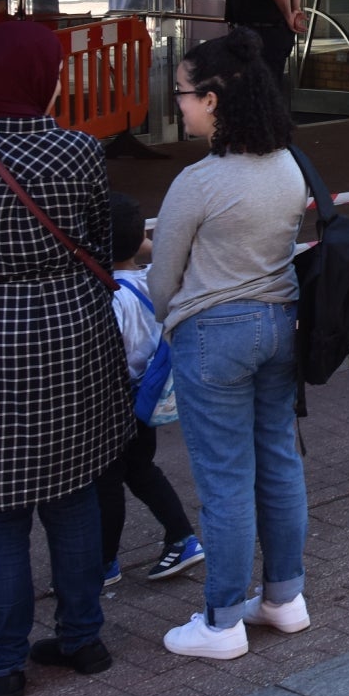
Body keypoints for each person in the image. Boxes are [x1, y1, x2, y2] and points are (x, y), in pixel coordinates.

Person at [0, 20, 134, 696]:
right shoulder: (81, 151)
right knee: (74, 495)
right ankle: (83, 639)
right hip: (73, 331)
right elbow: (102, 237)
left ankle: (3, 663)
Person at [148, 29, 315, 660]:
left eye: (186, 94)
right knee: (278, 463)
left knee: (223, 480)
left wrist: (171, 321)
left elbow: (164, 279)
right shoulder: (288, 165)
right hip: (280, 326)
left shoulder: (199, 182)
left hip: (213, 334)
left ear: (215, 101)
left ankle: (220, 623)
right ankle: (284, 599)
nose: (180, 105)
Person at [100, 191, 203, 587]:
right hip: (148, 395)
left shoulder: (110, 296)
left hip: (115, 401)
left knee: (106, 481)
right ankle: (181, 536)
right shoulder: (151, 279)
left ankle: (103, 562)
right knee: (141, 469)